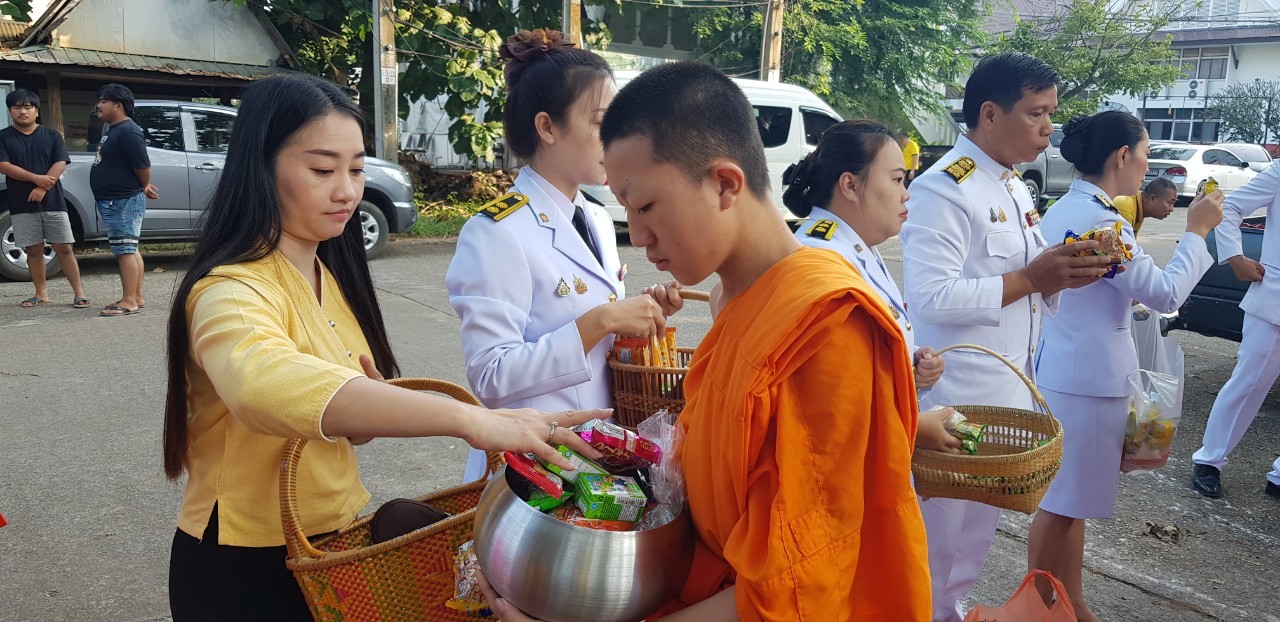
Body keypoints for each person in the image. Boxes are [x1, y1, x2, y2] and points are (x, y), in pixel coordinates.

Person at [482, 61, 932, 621]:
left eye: (646, 207)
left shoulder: (825, 327)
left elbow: (794, 590)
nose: (638, 236)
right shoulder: (737, 299)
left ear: (724, 183)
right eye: (627, 210)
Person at [162, 72, 608, 620]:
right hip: (243, 559)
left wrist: (360, 415)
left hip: (331, 539)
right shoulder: (231, 289)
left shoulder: (325, 274)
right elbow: (262, 384)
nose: (347, 191)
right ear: (261, 167)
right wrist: (469, 419)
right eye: (322, 170)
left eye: (355, 169)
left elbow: (330, 402)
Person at [898, 52, 1117, 622]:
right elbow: (931, 296)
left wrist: (1062, 274)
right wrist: (1032, 278)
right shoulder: (944, 189)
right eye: (1036, 113)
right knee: (934, 545)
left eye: (1051, 113)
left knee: (972, 546)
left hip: (1008, 398)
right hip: (957, 402)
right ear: (990, 115)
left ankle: (948, 611)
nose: (1049, 128)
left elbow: (1027, 286)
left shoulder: (1015, 187)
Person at [445, 29, 677, 482]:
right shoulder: (496, 232)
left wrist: (638, 319)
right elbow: (490, 379)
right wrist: (602, 320)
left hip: (598, 454)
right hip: (534, 469)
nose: (615, 139)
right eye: (602, 123)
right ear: (548, 127)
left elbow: (597, 345)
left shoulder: (597, 219)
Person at [1030, 111, 1222, 621]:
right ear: (1122, 157)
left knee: (1071, 503)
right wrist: (1197, 231)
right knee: (1061, 505)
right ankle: (1039, 605)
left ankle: (1071, 603)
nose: (1146, 166)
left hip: (1070, 369)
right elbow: (1165, 294)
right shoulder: (1105, 222)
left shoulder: (1068, 206)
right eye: (1145, 155)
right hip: (1089, 379)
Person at [782, 119, 959, 453]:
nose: (906, 193)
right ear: (850, 185)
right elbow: (827, 395)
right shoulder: (822, 259)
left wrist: (910, 370)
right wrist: (914, 425)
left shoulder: (854, 243)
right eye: (896, 179)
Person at [1190, 159, 1280, 501]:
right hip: (1274, 300)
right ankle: (1210, 460)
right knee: (1248, 383)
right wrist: (1235, 257)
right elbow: (1228, 209)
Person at [0, 89, 87, 308]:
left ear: (37, 111)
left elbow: (60, 162)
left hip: (53, 202)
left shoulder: (51, 135)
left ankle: (79, 293)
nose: (22, 111)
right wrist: (36, 178)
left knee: (64, 247)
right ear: (10, 111)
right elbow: (4, 166)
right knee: (33, 250)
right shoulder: (3, 137)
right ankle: (40, 293)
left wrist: (42, 187)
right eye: (17, 107)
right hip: (21, 203)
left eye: (28, 107)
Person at [91, 83, 158, 317]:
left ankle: (129, 301)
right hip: (116, 199)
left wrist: (143, 184)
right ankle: (136, 296)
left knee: (125, 250)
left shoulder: (128, 131)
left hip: (122, 199)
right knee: (129, 248)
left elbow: (143, 166)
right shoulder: (114, 129)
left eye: (103, 101)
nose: (98, 105)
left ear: (118, 105)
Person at [1112, 176, 1178, 236]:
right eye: (1170, 203)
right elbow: (1121, 244)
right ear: (1152, 199)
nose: (1172, 209)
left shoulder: (1139, 208)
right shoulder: (1125, 208)